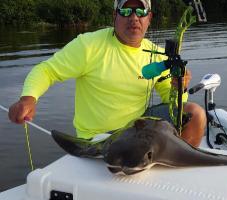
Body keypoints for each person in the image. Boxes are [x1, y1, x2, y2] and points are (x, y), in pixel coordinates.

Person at [8, 0, 206, 147]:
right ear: (115, 16)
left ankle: (178, 172)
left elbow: (174, 106)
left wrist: (179, 87)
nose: (134, 18)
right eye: (126, 11)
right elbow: (47, 70)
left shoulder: (158, 54)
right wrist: (28, 98)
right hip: (97, 139)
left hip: (138, 129)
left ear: (149, 17)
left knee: (194, 114)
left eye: (140, 11)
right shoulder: (88, 45)